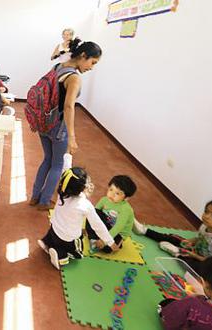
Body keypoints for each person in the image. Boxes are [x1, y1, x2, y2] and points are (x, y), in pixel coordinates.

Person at [30, 38, 101, 210]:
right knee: (57, 164)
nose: (91, 67)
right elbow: (69, 106)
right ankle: (45, 202)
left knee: (47, 160)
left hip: (43, 123)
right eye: (92, 62)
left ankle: (35, 197)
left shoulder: (58, 67)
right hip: (58, 127)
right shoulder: (74, 78)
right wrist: (72, 138)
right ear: (83, 56)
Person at [37, 168, 119, 270]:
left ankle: (46, 241)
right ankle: (60, 255)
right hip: (67, 239)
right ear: (83, 188)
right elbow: (98, 226)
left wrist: (68, 154)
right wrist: (110, 242)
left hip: (54, 230)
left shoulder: (62, 192)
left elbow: (66, 169)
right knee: (78, 250)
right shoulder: (85, 205)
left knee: (55, 233)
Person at [133, 200, 212, 274]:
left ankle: (177, 253)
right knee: (173, 238)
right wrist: (191, 241)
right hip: (199, 252)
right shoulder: (206, 225)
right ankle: (144, 231)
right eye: (206, 212)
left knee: (198, 269)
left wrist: (194, 256)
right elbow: (203, 237)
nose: (206, 216)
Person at [87, 175, 137, 253]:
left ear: (126, 198)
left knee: (107, 249)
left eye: (117, 193)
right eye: (111, 190)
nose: (112, 194)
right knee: (92, 213)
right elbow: (94, 215)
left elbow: (118, 227)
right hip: (106, 224)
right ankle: (93, 238)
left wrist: (104, 240)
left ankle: (100, 240)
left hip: (118, 233)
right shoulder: (104, 200)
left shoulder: (126, 209)